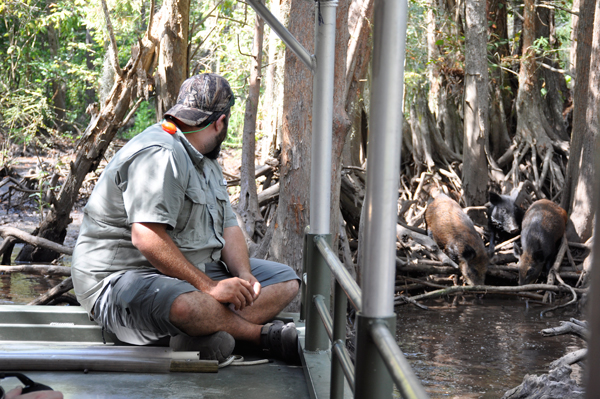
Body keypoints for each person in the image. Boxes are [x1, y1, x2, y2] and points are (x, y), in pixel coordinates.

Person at [72, 73, 301, 364]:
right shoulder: (161, 153)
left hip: (186, 272)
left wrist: (243, 275)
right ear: (220, 122)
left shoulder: (205, 157)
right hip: (119, 280)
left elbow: (229, 226)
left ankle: (201, 334)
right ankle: (259, 337)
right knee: (186, 307)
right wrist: (211, 288)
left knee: (286, 282)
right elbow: (146, 236)